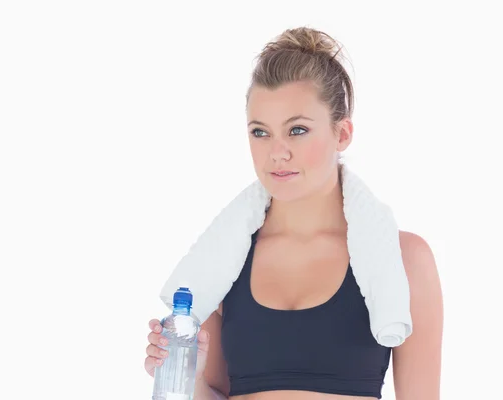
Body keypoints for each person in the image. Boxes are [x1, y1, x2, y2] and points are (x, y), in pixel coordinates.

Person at [144, 27, 443, 400]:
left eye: (297, 130)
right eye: (260, 132)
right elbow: (213, 393)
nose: (277, 152)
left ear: (342, 134)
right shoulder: (220, 263)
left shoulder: (404, 261)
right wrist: (189, 376)